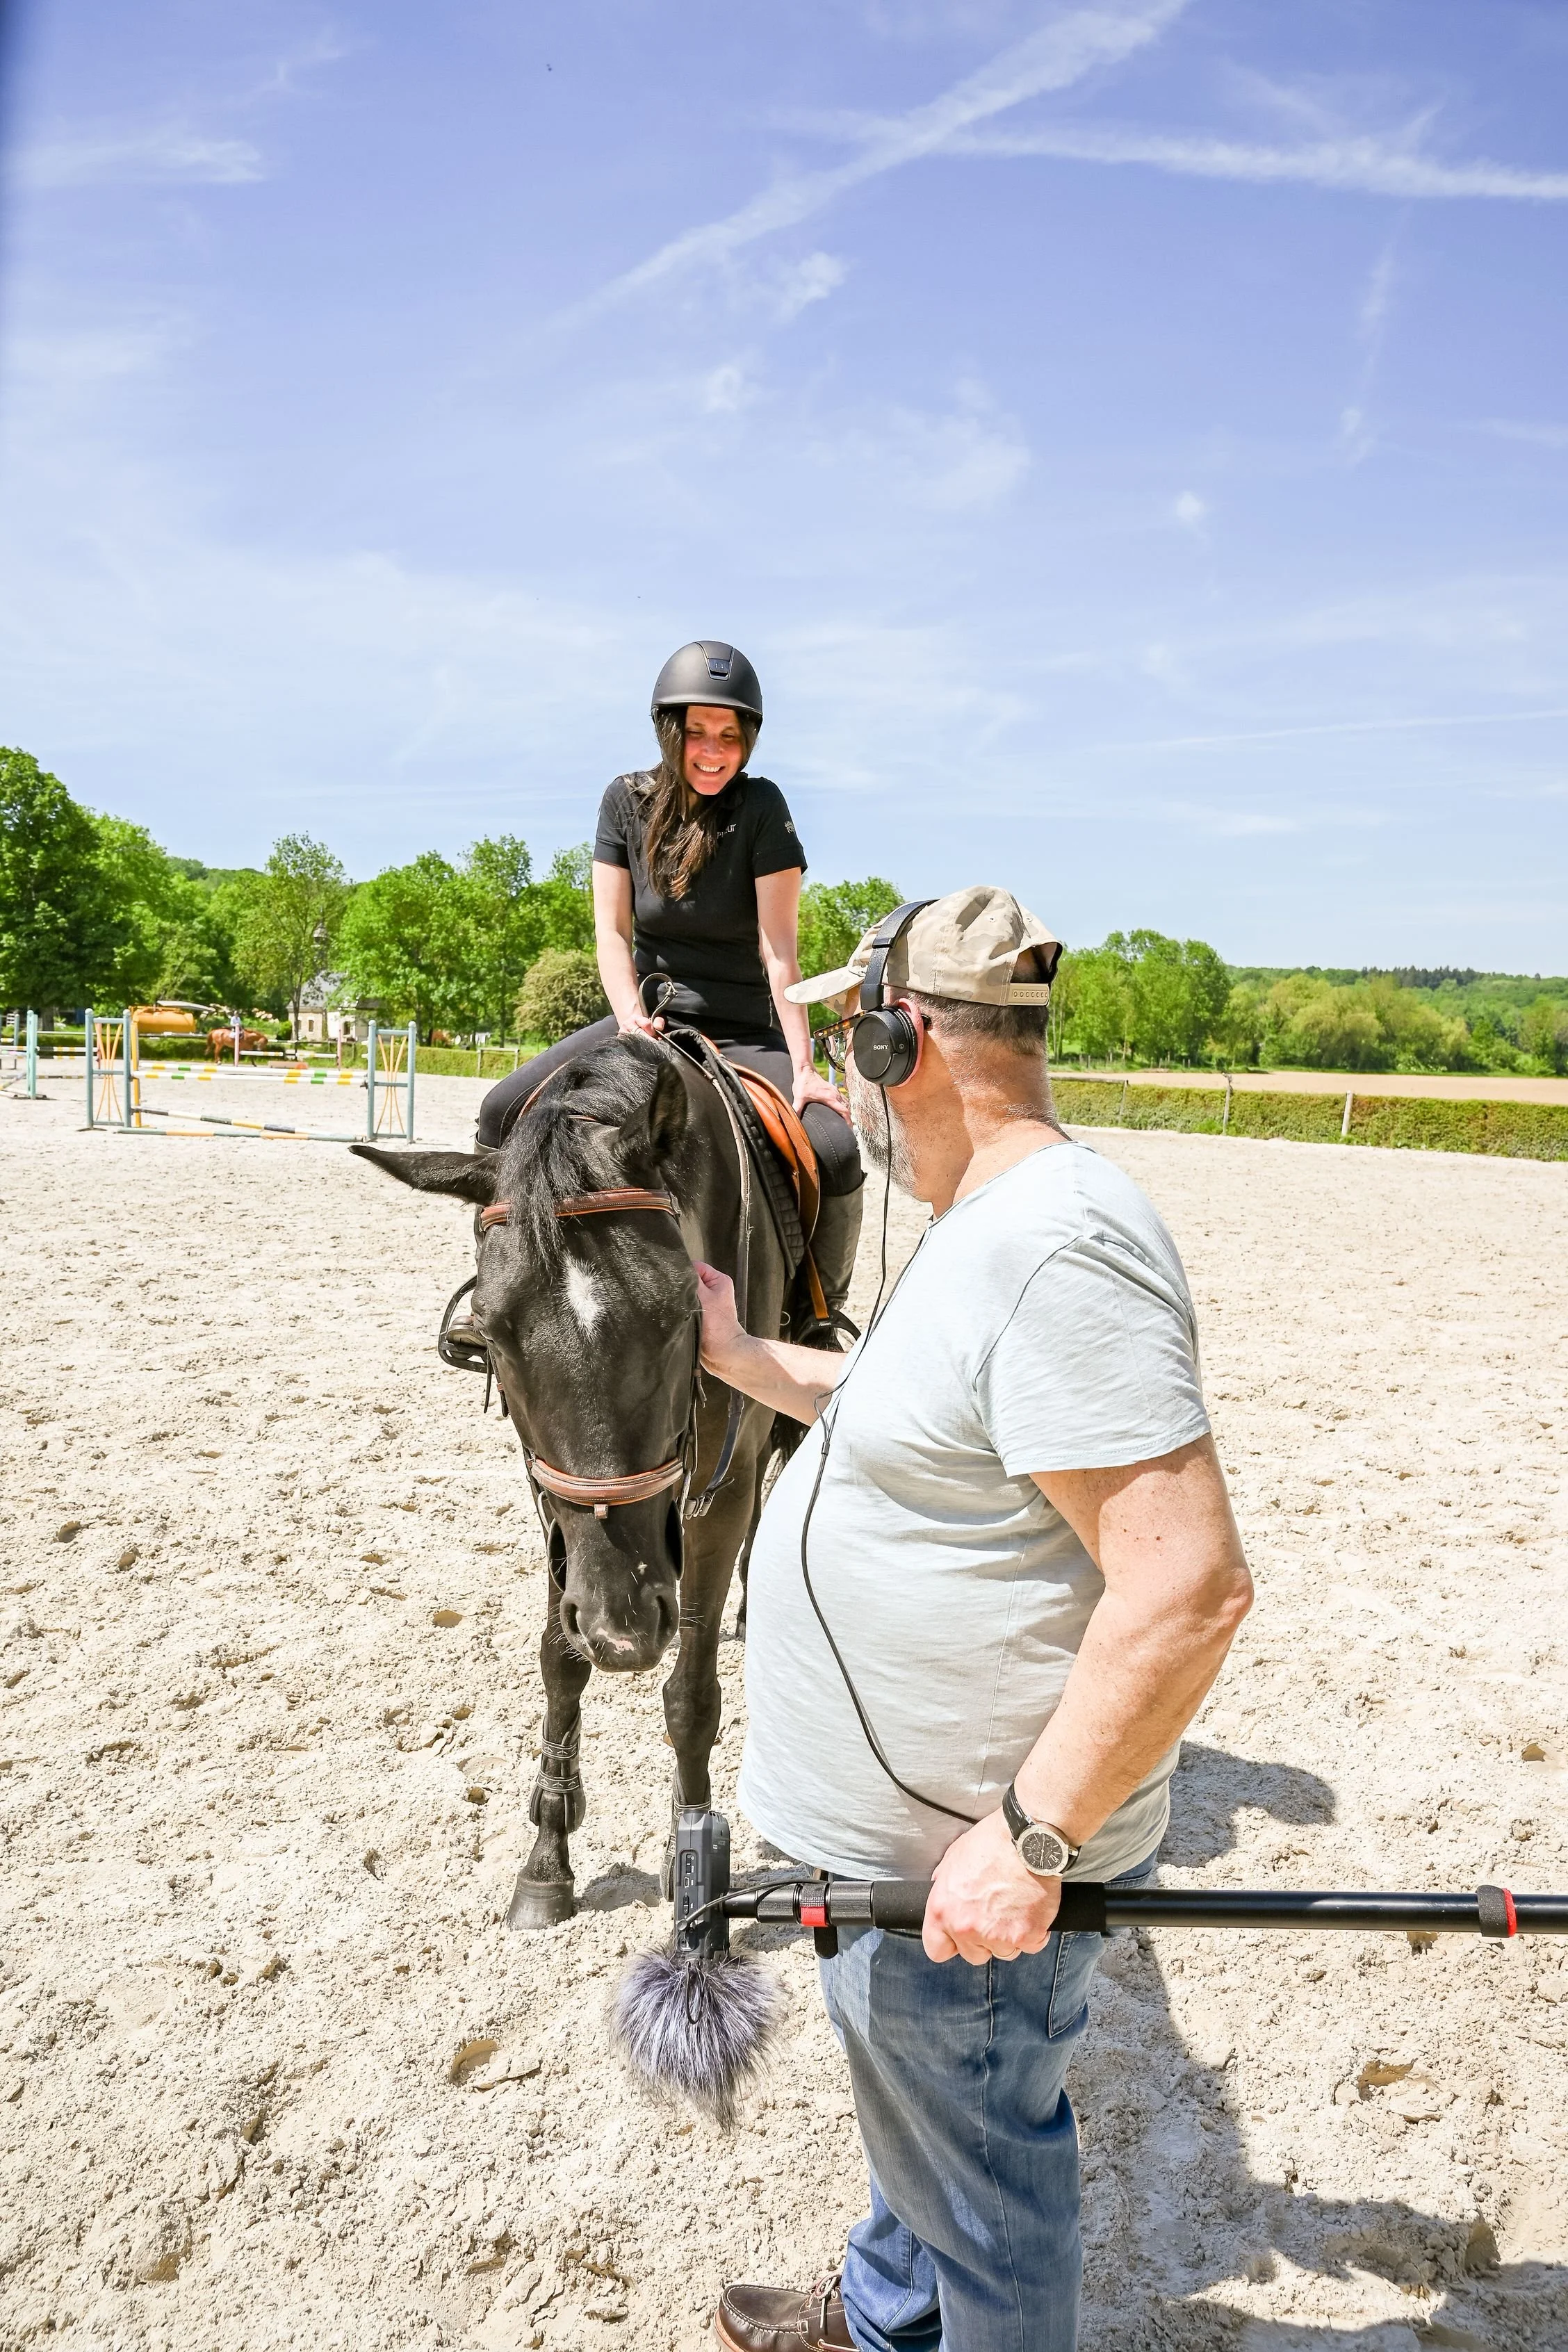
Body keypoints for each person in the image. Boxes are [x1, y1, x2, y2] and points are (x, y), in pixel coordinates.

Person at [690, 886, 1255, 2352]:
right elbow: (914, 1418)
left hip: (966, 1872)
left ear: (901, 1043)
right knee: (933, 2121)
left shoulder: (1056, 1246)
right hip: (909, 1858)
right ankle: (886, 2307)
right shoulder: (978, 1220)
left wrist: (1029, 1841)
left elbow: (1190, 1587)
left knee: (995, 2185)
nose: (832, 1080)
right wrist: (748, 1355)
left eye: (847, 1039)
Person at [474, 638, 862, 1323]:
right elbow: (611, 934)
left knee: (834, 1151)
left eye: (730, 736)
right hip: (647, 1022)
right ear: (669, 730)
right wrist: (628, 1017)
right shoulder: (624, 802)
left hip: (742, 1028)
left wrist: (803, 1069)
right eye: (698, 733)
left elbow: (781, 954)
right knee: (501, 1111)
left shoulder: (763, 808)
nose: (713, 750)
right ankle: (500, 1296)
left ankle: (820, 1317)